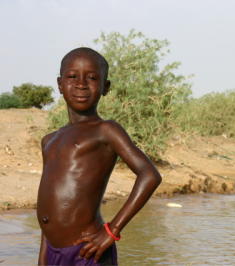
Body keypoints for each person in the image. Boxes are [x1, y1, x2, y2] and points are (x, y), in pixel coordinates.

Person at [36, 47, 162, 265]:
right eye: (72, 76)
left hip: (87, 251)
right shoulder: (49, 140)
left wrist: (112, 231)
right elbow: (48, 213)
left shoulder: (106, 130)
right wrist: (43, 259)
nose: (81, 84)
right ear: (59, 84)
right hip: (53, 252)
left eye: (92, 78)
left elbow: (149, 175)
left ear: (105, 87)